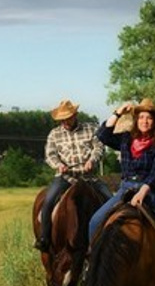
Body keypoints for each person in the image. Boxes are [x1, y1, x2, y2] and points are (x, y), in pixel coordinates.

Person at [87, 97, 155, 284]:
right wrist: (118, 112)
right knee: (95, 220)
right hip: (125, 188)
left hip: (152, 190)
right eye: (141, 117)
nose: (145, 121)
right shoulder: (126, 139)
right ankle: (93, 261)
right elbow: (102, 135)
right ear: (136, 120)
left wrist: (143, 192)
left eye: (149, 118)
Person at [34, 99, 104, 252]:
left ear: (75, 115)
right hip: (66, 177)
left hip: (88, 177)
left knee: (110, 200)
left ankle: (110, 238)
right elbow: (50, 155)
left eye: (68, 118)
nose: (65, 121)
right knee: (48, 202)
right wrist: (58, 165)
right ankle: (44, 238)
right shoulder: (54, 134)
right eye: (62, 119)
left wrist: (92, 161)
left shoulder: (91, 129)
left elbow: (99, 147)